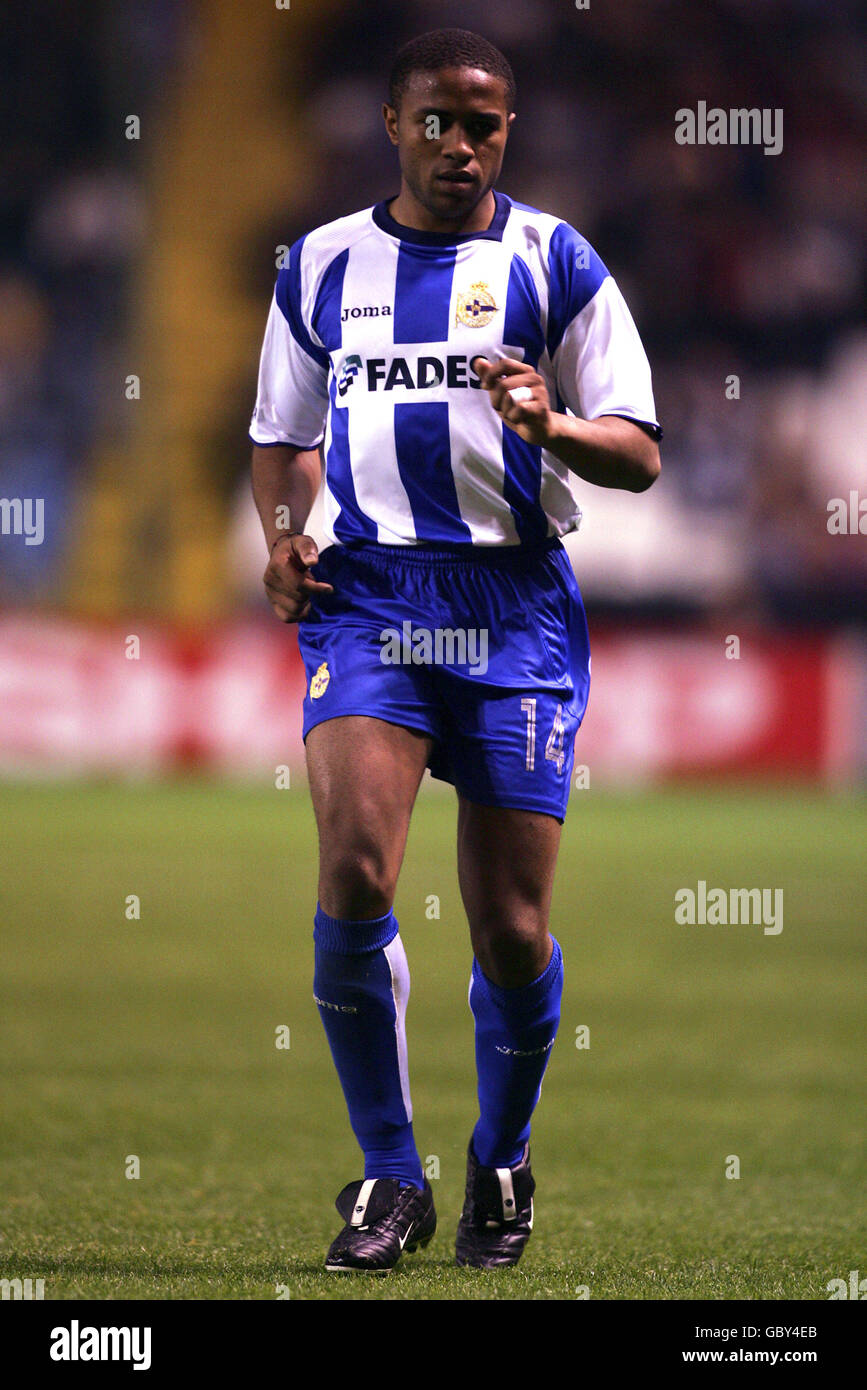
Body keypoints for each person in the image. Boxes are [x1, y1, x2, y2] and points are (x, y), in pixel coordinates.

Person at [250, 27, 660, 1273]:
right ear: (391, 124)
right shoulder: (319, 264)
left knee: (511, 931)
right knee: (358, 873)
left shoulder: (559, 260)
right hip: (371, 596)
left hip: (513, 604)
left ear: (507, 134)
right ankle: (387, 1176)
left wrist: (555, 422)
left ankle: (501, 1155)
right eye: (435, 119)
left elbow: (637, 452)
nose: (457, 144)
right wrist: (282, 535)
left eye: (481, 124)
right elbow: (282, 433)